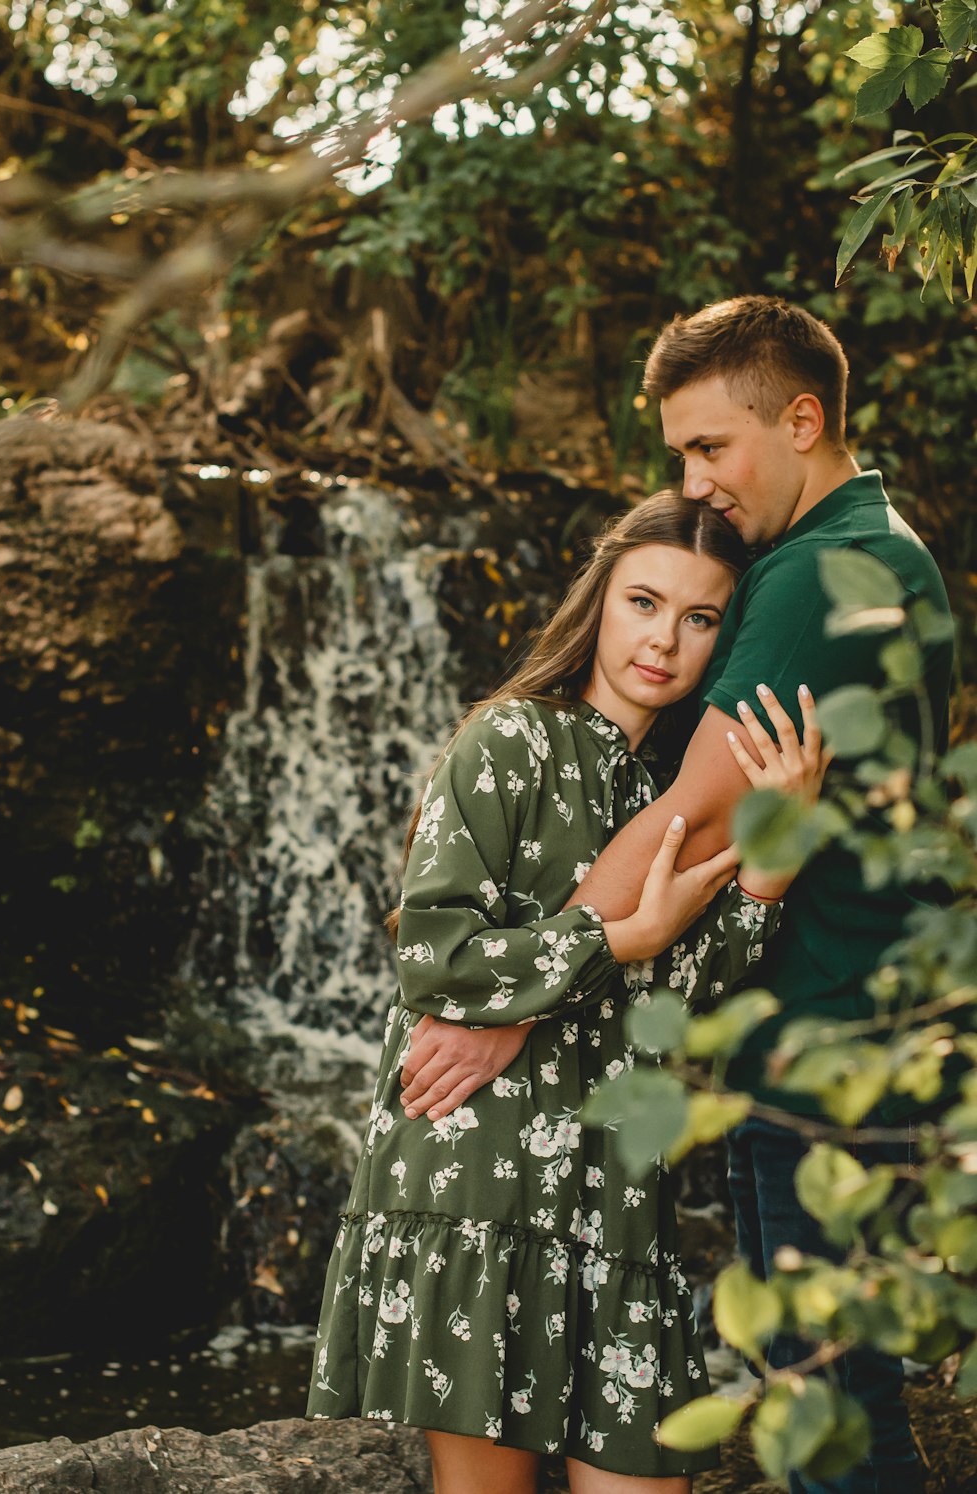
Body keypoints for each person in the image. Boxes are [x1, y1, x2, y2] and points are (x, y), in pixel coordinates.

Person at [399, 297, 955, 1494]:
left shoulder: (821, 571)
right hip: (830, 1049)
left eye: (710, 448)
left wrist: (505, 998)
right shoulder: (865, 547)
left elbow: (691, 819)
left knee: (836, 1431)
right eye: (679, 460)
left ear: (800, 420)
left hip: (831, 1061)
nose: (696, 485)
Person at [306, 492, 827, 1493]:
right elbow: (438, 960)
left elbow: (680, 993)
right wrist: (617, 932)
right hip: (479, 1174)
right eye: (643, 601)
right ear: (600, 600)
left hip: (615, 1194)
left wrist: (770, 860)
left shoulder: (675, 790)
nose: (663, 640)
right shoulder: (511, 739)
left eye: (700, 618)